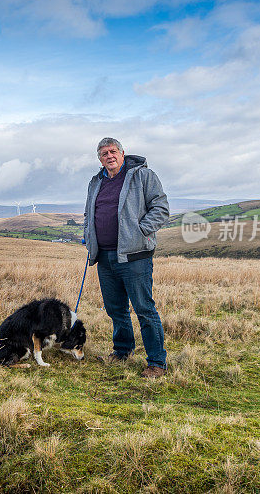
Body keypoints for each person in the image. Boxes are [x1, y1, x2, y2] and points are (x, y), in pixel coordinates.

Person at [83, 137, 170, 377]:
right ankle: (122, 351)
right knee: (115, 309)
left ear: (123, 153)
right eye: (103, 153)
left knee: (144, 308)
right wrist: (89, 236)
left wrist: (140, 232)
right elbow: (89, 213)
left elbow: (161, 208)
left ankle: (156, 362)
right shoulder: (95, 182)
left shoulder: (143, 175)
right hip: (105, 256)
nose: (109, 156)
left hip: (135, 256)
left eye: (112, 151)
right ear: (99, 158)